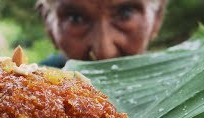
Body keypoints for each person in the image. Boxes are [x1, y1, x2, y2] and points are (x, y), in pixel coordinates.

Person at [37, 0, 167, 68]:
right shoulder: (29, 91)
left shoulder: (181, 88)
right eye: (75, 19)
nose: (105, 52)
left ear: (157, 17)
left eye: (125, 14)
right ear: (48, 23)